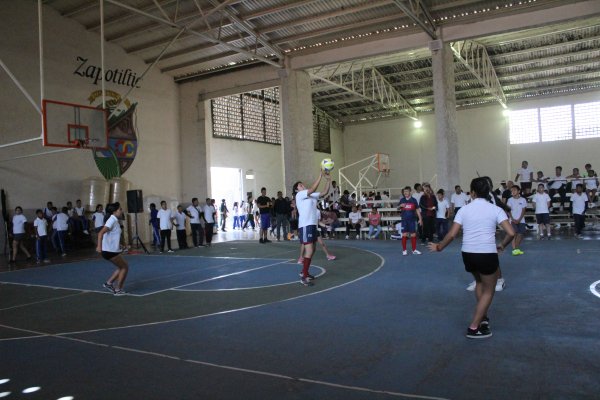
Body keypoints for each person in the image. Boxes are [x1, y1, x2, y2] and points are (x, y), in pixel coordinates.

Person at [428, 177, 515, 339]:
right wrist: (502, 245)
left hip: (468, 254)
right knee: (489, 291)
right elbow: (511, 233)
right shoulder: (495, 210)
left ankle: (484, 318)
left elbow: (452, 234)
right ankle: (474, 328)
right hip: (487, 254)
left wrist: (439, 247)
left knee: (480, 283)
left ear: (472, 193)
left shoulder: (464, 210)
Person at [293, 169, 331, 286]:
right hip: (306, 225)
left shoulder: (311, 196)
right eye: (300, 185)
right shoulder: (300, 195)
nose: (303, 186)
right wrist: (320, 175)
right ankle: (304, 277)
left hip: (313, 225)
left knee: (313, 250)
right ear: (296, 190)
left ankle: (305, 271)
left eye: (302, 184)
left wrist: (328, 179)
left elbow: (324, 192)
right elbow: (313, 188)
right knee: (309, 251)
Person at [97, 203, 131, 296]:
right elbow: (101, 233)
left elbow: (118, 236)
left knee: (122, 267)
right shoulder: (111, 220)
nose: (121, 211)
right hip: (109, 251)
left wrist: (125, 245)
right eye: (120, 209)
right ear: (114, 211)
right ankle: (117, 290)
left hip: (112, 250)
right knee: (125, 267)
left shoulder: (115, 221)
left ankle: (109, 284)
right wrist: (99, 246)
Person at [397, 186, 423, 256]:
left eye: (407, 191)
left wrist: (420, 219)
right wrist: (400, 206)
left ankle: (414, 250)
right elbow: (397, 208)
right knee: (404, 234)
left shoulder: (414, 200)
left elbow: (417, 209)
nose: (405, 193)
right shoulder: (402, 200)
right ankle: (404, 250)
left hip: (412, 220)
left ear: (410, 192)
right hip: (404, 220)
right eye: (404, 191)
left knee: (413, 234)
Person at [507, 185, 527, 255]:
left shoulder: (523, 200)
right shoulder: (510, 200)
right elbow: (508, 210)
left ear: (519, 191)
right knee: (514, 234)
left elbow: (523, 210)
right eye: (512, 190)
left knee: (520, 234)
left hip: (521, 220)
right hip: (512, 220)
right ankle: (514, 249)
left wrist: (519, 219)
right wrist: (513, 219)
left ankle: (517, 248)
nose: (513, 192)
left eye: (514, 190)